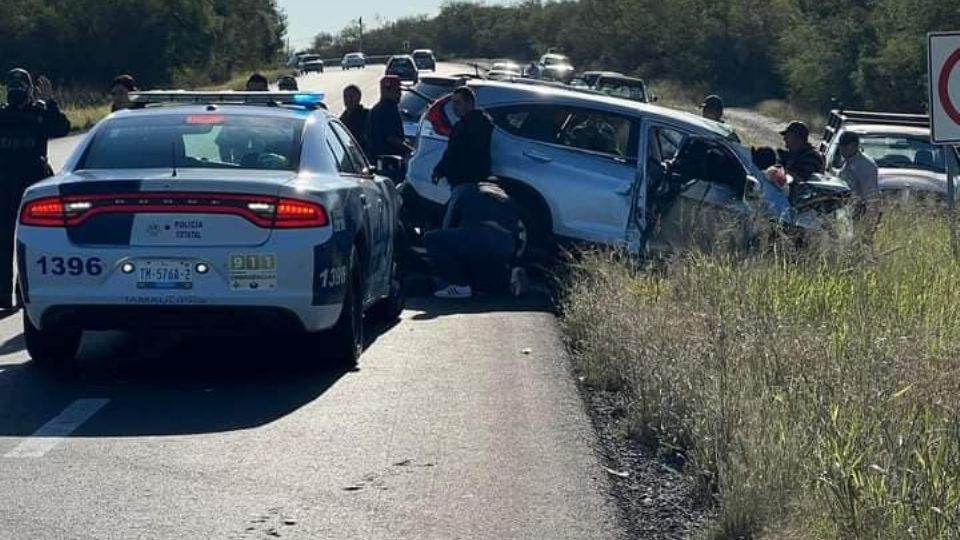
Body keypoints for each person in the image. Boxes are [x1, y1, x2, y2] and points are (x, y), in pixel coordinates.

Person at [0, 69, 70, 311]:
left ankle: (24, 292)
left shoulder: (39, 112)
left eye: (21, 84)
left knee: (30, 241)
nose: (16, 89)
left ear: (30, 88)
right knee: (3, 241)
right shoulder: (3, 115)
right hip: (5, 185)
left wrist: (50, 102)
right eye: (12, 84)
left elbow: (61, 128)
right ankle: (3, 295)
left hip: (33, 185)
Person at [424, 182, 523, 299]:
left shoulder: (463, 190)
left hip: (482, 235)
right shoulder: (502, 193)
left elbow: (448, 224)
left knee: (432, 238)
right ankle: (509, 278)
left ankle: (458, 285)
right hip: (507, 242)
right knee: (482, 271)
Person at [431, 86, 494, 227]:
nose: (454, 107)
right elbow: (451, 151)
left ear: (469, 103)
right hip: (460, 181)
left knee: (452, 223)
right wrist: (440, 169)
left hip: (468, 181)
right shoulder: (463, 125)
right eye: (453, 103)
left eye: (458, 102)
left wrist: (445, 169)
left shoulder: (477, 124)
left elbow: (459, 151)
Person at [836, 131, 880, 241]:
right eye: (841, 146)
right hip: (846, 211)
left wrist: (870, 221)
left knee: (859, 243)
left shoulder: (865, 165)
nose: (843, 149)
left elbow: (871, 194)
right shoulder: (847, 162)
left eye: (846, 145)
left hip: (860, 212)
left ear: (855, 145)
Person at [366, 76, 412, 160]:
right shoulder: (390, 110)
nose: (400, 94)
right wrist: (412, 152)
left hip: (375, 159)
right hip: (390, 161)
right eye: (396, 91)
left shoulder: (375, 109)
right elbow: (392, 138)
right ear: (385, 91)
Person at [339, 85, 369, 149]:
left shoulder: (367, 115)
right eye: (345, 96)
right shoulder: (342, 119)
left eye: (352, 96)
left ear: (359, 98)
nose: (348, 99)